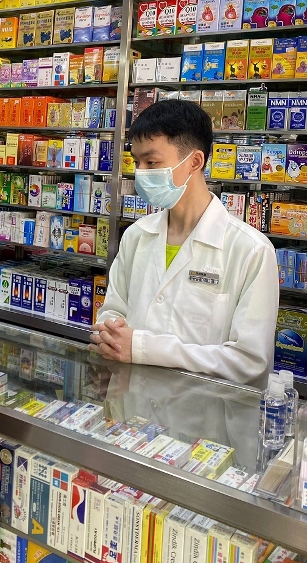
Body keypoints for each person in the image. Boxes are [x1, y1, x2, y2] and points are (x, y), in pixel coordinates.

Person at [92, 99, 278, 388]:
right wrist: (109, 334)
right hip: (132, 401)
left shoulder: (251, 250)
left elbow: (249, 363)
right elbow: (113, 312)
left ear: (195, 162)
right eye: (137, 162)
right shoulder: (136, 235)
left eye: (152, 162)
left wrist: (143, 348)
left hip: (202, 410)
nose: (141, 172)